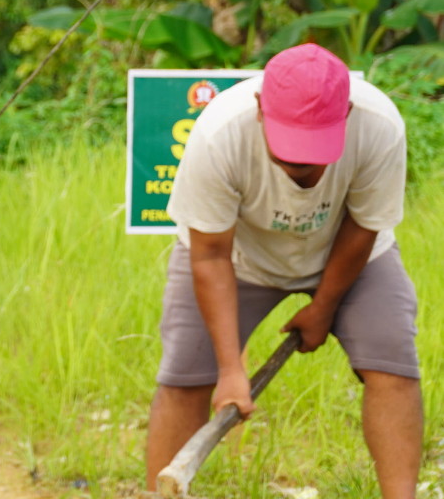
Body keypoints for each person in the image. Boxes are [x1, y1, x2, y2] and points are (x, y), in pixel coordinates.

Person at [145, 43, 422, 498]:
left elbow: (364, 225)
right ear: (259, 110)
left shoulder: (379, 126)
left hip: (348, 252)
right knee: (184, 377)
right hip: (235, 259)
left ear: (347, 112)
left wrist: (325, 305)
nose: (302, 169)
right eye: (290, 153)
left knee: (393, 360)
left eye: (314, 154)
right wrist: (231, 369)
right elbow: (210, 253)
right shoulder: (220, 133)